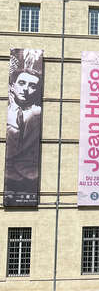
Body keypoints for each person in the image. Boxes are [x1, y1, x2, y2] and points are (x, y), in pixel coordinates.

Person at [5, 67, 42, 204]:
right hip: (6, 179)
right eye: (21, 83)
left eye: (32, 86)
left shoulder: (38, 114)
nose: (26, 89)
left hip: (30, 181)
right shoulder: (7, 111)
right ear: (12, 86)